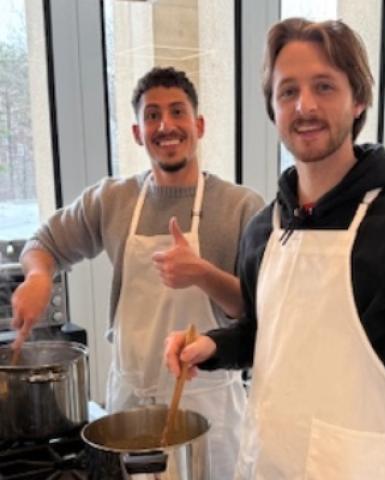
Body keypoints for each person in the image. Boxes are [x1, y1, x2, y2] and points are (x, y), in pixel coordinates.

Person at [164, 18, 385, 480]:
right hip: (269, 464)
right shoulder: (263, 229)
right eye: (287, 91)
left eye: (325, 86)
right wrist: (211, 346)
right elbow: (266, 335)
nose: (304, 105)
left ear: (359, 100)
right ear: (272, 108)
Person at [11, 66, 264, 479]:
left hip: (209, 410)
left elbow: (254, 312)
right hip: (130, 408)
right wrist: (39, 277)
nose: (166, 126)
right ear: (137, 133)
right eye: (152, 116)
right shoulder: (112, 200)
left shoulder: (240, 206)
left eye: (178, 112)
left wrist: (202, 273)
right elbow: (44, 243)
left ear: (198, 125)